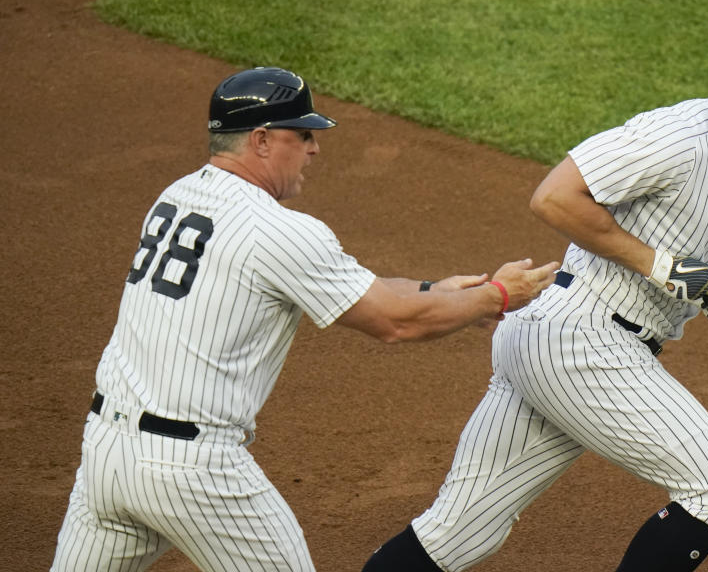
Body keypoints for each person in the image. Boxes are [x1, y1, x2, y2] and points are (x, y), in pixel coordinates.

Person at [362, 9, 708, 572]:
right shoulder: (677, 136)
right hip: (581, 337)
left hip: (568, 346)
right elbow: (555, 197)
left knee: (460, 532)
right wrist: (662, 266)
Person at [50, 66, 560, 572]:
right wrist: (497, 295)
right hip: (193, 472)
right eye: (304, 134)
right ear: (263, 139)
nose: (315, 148)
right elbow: (397, 323)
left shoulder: (178, 195)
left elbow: (363, 290)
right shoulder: (279, 230)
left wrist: (435, 290)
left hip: (105, 455)